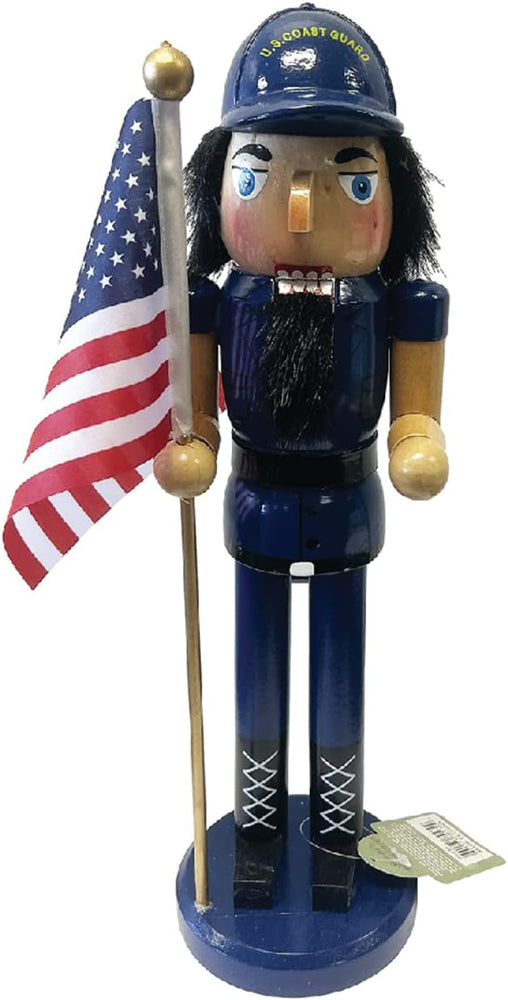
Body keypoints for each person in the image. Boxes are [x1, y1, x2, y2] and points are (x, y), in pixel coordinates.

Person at [154, 4, 449, 911]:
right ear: (217, 183)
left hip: (347, 505)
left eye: (350, 180)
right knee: (257, 664)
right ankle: (255, 830)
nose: (300, 205)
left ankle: (334, 826)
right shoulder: (215, 300)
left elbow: (418, 410)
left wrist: (416, 438)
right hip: (255, 502)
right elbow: (196, 412)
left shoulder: (400, 302)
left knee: (338, 666)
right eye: (263, 172)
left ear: (397, 192)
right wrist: (197, 445)